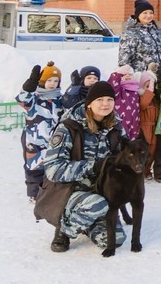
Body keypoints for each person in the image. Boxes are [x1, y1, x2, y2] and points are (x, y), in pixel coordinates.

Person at [39, 80, 125, 253]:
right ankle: (64, 228)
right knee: (97, 205)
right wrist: (92, 167)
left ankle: (85, 222)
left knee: (114, 239)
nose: (105, 104)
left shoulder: (116, 127)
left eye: (109, 99)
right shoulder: (69, 128)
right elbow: (53, 169)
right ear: (89, 103)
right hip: (67, 191)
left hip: (100, 190)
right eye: (100, 100)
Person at [17, 63, 64, 201]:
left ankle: (51, 192)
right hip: (34, 139)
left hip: (55, 140)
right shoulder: (35, 98)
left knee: (53, 166)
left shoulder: (60, 99)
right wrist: (28, 86)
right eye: (49, 80)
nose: (52, 84)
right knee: (34, 167)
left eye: (56, 81)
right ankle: (34, 193)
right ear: (42, 81)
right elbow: (22, 100)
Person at [118, 0, 161, 75]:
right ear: (138, 15)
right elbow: (124, 62)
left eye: (151, 13)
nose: (148, 16)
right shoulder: (129, 34)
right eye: (145, 13)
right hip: (142, 79)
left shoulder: (157, 31)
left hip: (160, 76)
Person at [108, 65, 140, 141]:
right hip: (121, 124)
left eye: (130, 74)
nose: (128, 75)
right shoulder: (119, 89)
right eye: (124, 75)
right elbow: (113, 85)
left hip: (134, 124)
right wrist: (118, 74)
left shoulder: (136, 90)